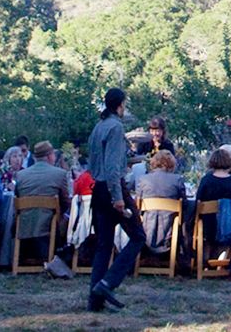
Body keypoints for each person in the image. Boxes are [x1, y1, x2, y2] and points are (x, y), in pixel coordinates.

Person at [87, 88, 143, 313]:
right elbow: (112, 168)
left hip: (98, 189)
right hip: (113, 189)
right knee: (138, 236)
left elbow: (96, 163)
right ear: (119, 105)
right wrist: (118, 198)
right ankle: (109, 282)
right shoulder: (116, 127)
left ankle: (95, 301)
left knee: (104, 245)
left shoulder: (98, 127)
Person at [14, 141, 75, 262]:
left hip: (24, 222)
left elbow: (17, 196)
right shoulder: (60, 174)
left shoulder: (21, 175)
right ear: (50, 156)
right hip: (49, 224)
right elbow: (66, 202)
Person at [131, 148, 187, 260]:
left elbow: (137, 203)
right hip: (169, 229)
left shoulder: (143, 180)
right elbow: (183, 203)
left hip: (146, 226)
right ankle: (183, 255)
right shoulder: (177, 180)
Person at [194, 147, 231, 263]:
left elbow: (198, 201)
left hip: (209, 226)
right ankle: (230, 260)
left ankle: (204, 260)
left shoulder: (206, 181)